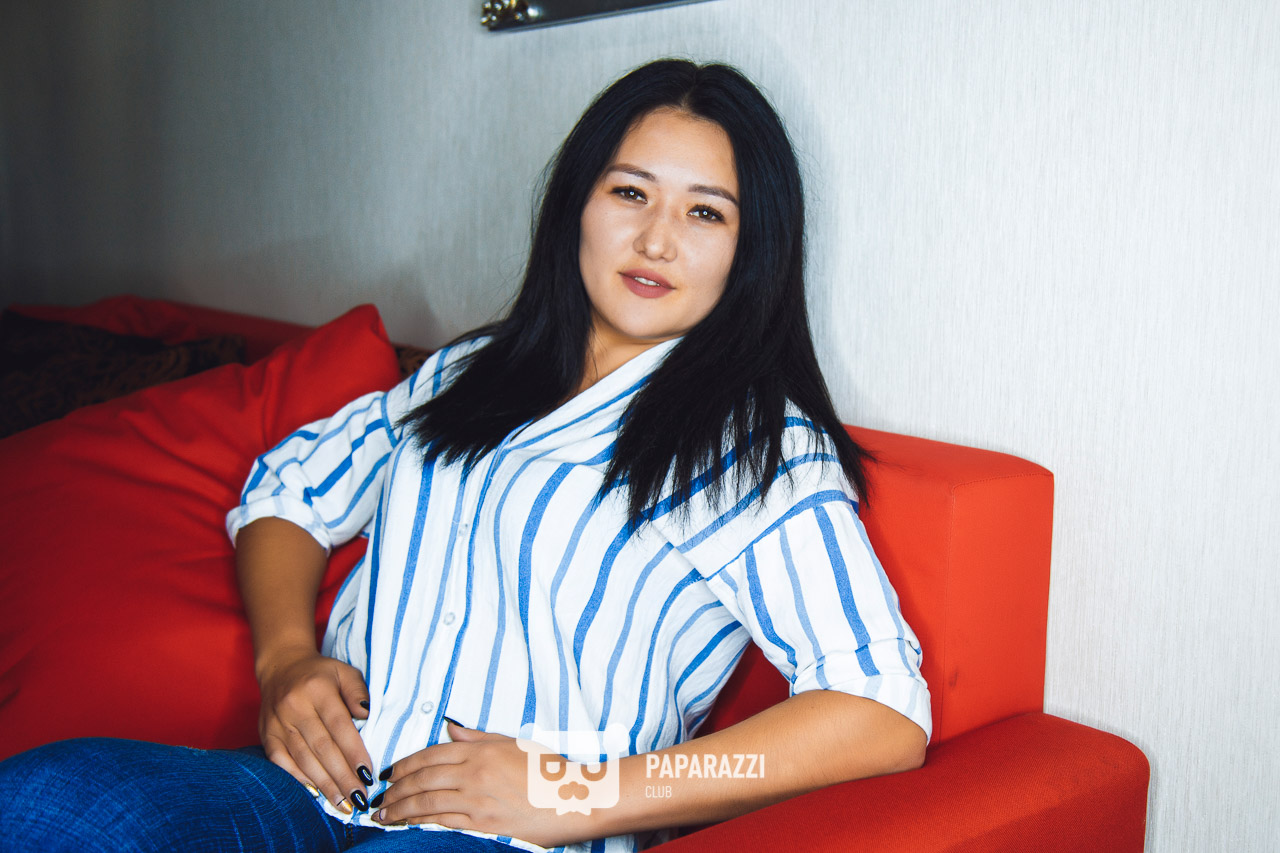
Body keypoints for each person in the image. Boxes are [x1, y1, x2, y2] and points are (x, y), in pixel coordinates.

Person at [0, 59, 929, 853]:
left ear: (750, 249)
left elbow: (882, 711)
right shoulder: (469, 370)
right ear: (578, 203)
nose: (656, 239)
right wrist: (285, 660)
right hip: (315, 786)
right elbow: (290, 489)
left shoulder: (757, 445)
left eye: (706, 213)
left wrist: (577, 790)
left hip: (506, 836)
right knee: (45, 803)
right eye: (631, 192)